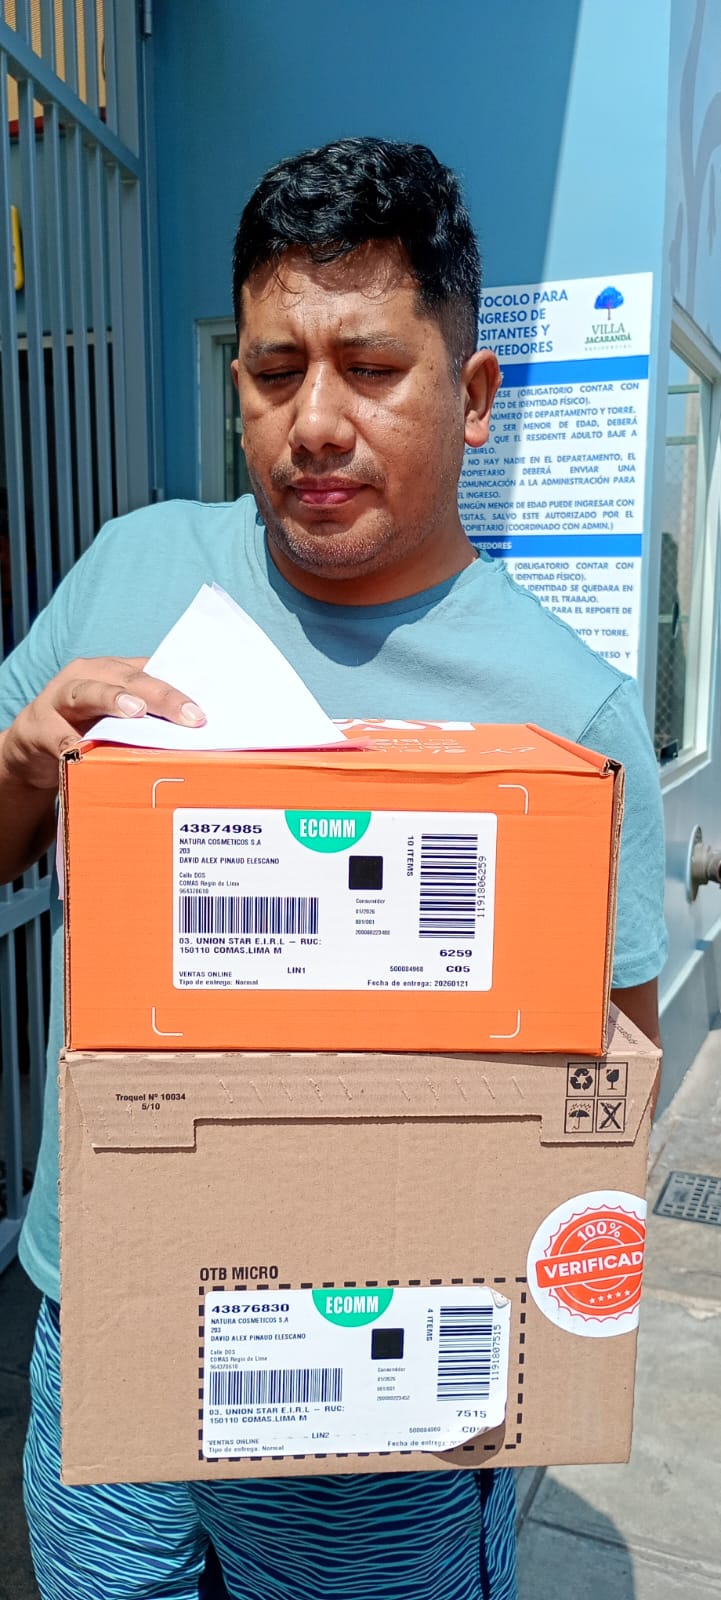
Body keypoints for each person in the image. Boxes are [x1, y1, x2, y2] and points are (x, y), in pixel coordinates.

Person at [0, 137, 666, 1600]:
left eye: (369, 369)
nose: (313, 423)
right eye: (271, 371)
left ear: (471, 397)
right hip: (109, 1303)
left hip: (382, 1377)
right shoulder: (133, 571)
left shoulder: (568, 714)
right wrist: (26, 759)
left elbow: (607, 1084)